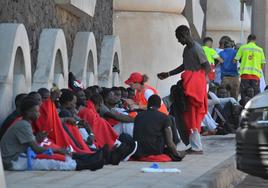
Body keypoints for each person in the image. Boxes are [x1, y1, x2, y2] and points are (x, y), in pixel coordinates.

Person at [0, 97, 105, 171]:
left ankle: (88, 162)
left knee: (53, 156)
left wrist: (38, 139)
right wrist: (58, 149)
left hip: (17, 156)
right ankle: (86, 165)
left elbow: (31, 144)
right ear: (28, 113)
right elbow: (36, 149)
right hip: (11, 160)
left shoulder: (24, 123)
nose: (39, 114)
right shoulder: (23, 124)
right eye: (36, 112)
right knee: (50, 162)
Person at [158, 25, 210, 154]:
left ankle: (197, 148)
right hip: (188, 86)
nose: (178, 41)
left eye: (179, 38)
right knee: (187, 116)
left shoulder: (197, 49)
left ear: (185, 35)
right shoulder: (187, 50)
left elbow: (207, 67)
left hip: (195, 89)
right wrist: (169, 74)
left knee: (193, 116)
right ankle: (194, 145)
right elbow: (184, 66)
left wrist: (199, 81)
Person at [133, 95, 185, 161]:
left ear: (148, 104)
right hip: (155, 150)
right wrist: (176, 153)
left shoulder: (138, 116)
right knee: (166, 130)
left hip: (138, 150)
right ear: (160, 106)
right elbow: (169, 143)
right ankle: (175, 150)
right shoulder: (164, 117)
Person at [234, 34, 266, 101]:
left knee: (244, 94)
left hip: (245, 76)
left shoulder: (242, 48)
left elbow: (235, 60)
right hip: (256, 76)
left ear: (248, 40)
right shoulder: (260, 50)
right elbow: (262, 64)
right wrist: (259, 73)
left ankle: (244, 108)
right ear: (255, 40)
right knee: (256, 95)